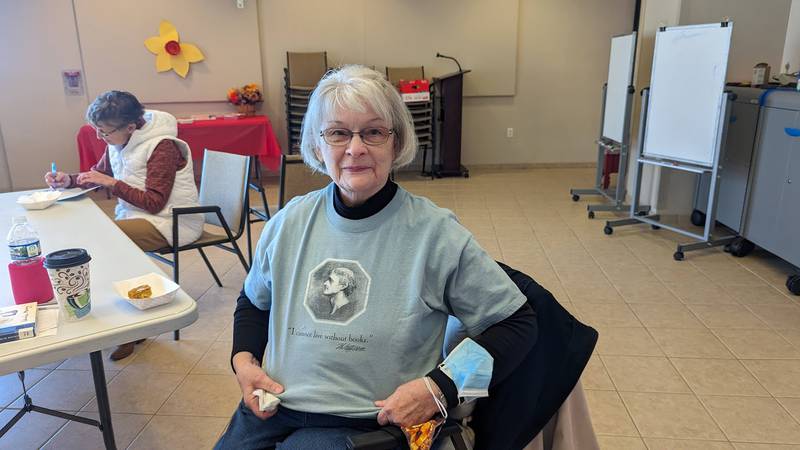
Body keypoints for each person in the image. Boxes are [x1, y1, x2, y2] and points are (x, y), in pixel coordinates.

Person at [216, 66, 538, 450]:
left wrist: (440, 387)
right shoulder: (289, 222)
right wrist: (244, 362)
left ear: (395, 143)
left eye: (373, 132)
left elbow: (517, 323)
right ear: (318, 146)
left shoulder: (435, 234)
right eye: (337, 133)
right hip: (275, 408)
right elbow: (253, 301)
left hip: (371, 423)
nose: (355, 149)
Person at [45, 90, 204, 360]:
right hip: (137, 216)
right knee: (102, 238)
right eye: (96, 130)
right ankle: (125, 319)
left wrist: (113, 185)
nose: (99, 137)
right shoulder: (119, 140)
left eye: (104, 132)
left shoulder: (162, 146)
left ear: (130, 126)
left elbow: (154, 202)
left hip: (171, 221)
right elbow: (100, 175)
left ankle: (129, 328)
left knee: (105, 243)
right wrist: (68, 180)